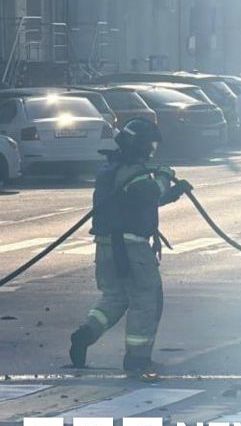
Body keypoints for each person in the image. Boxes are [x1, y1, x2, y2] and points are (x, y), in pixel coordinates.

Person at [68, 118, 193, 373]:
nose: (152, 150)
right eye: (150, 145)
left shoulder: (115, 169)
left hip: (106, 245)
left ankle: (86, 333)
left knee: (116, 296)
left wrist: (174, 192)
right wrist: (165, 177)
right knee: (146, 300)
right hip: (131, 247)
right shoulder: (131, 170)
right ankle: (137, 358)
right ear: (140, 144)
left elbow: (139, 201)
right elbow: (149, 194)